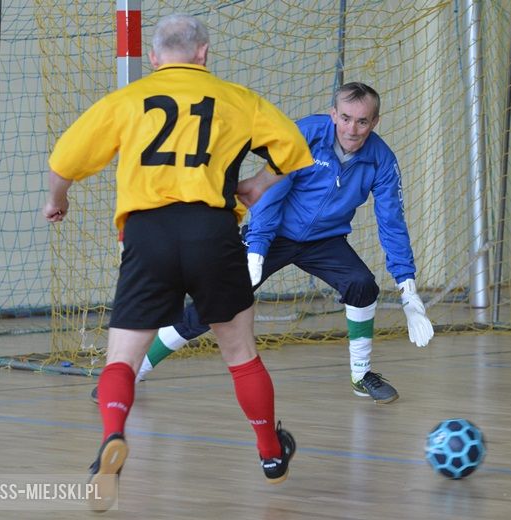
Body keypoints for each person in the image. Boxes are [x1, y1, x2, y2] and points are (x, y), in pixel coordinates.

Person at [43, 14, 313, 511]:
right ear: (203, 54)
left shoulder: (127, 101)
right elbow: (295, 152)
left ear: (153, 58)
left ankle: (111, 439)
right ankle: (271, 453)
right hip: (212, 231)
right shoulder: (237, 99)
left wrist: (57, 200)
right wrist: (257, 184)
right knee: (240, 353)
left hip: (148, 235)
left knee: (122, 358)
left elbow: (64, 160)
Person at [92, 81, 434, 407]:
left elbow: (392, 222)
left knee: (362, 285)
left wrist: (408, 290)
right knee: (213, 305)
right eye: (345, 118)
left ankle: (361, 376)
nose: (352, 129)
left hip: (324, 240)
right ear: (333, 114)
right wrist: (256, 248)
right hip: (274, 234)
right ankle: (137, 370)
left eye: (362, 121)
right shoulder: (305, 136)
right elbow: (272, 194)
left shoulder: (382, 160)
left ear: (375, 122)